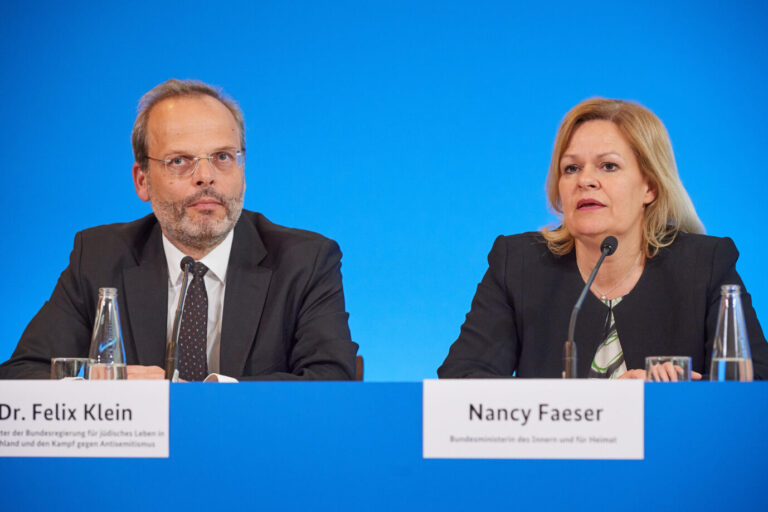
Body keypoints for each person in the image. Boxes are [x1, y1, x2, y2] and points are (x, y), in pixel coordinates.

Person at [0, 79, 358, 381]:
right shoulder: (99, 257)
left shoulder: (305, 261)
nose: (206, 176)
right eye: (180, 161)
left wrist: (204, 400)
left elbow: (329, 382)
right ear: (142, 181)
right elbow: (21, 376)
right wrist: (107, 385)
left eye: (222, 157)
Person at [438, 98, 767, 380]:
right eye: (571, 169)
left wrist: (673, 395)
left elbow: (755, 383)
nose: (585, 181)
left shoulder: (703, 266)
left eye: (608, 166)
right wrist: (602, 403)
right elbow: (461, 380)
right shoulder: (519, 264)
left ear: (649, 187)